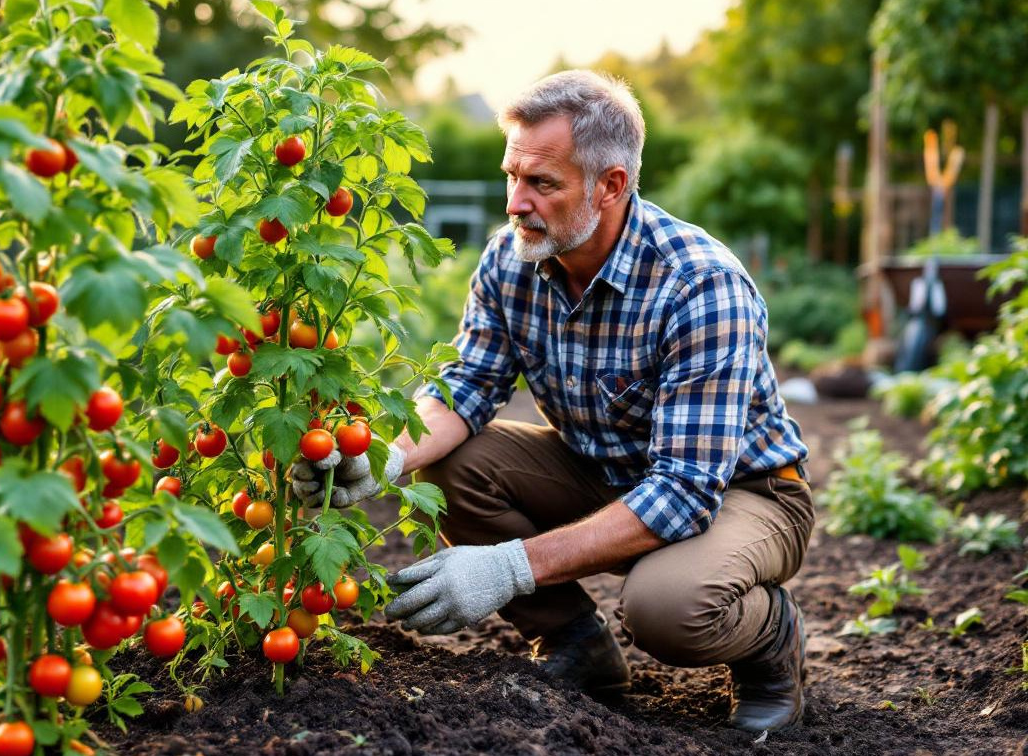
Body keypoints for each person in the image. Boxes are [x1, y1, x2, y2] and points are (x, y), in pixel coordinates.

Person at [289, 70, 814, 733]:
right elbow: (467, 388)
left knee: (666, 608)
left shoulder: (699, 286)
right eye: (512, 175)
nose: (515, 203)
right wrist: (385, 458)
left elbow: (682, 492)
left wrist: (509, 568)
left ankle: (771, 642)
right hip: (604, 474)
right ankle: (577, 646)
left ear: (612, 185)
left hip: (743, 493)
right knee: (452, 469)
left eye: (542, 184)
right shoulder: (512, 262)